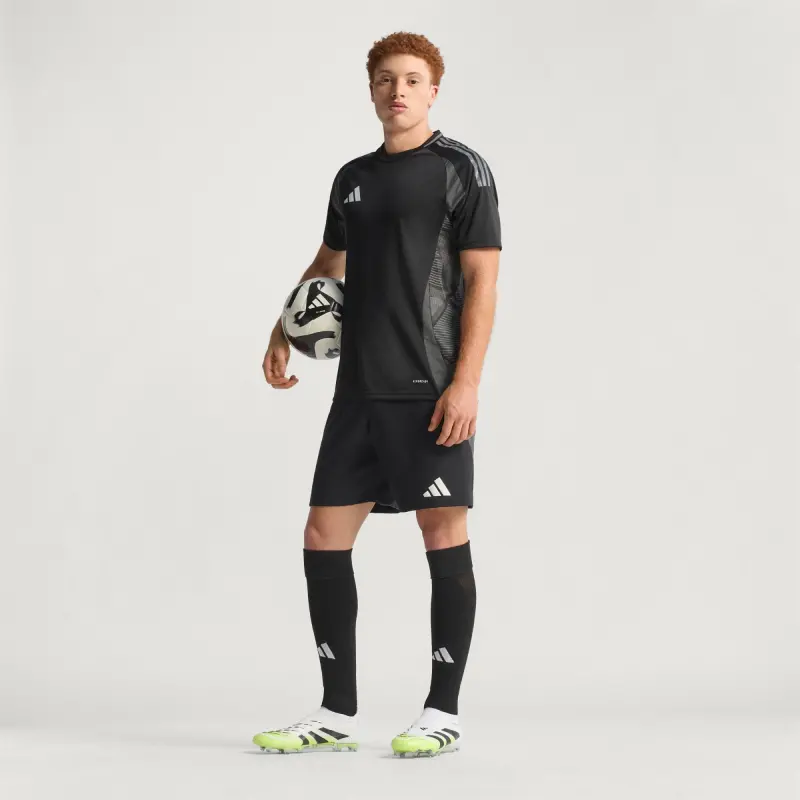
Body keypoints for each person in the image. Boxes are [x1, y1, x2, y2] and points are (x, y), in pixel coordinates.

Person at [255, 31, 502, 758]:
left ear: (434, 91)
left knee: (442, 535)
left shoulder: (462, 170)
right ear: (371, 90)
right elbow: (329, 261)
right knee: (322, 537)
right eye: (387, 79)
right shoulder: (352, 178)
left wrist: (466, 383)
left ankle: (442, 711)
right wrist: (282, 326)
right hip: (356, 391)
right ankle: (335, 712)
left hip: (428, 389)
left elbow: (483, 282)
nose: (399, 90)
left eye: (413, 79)